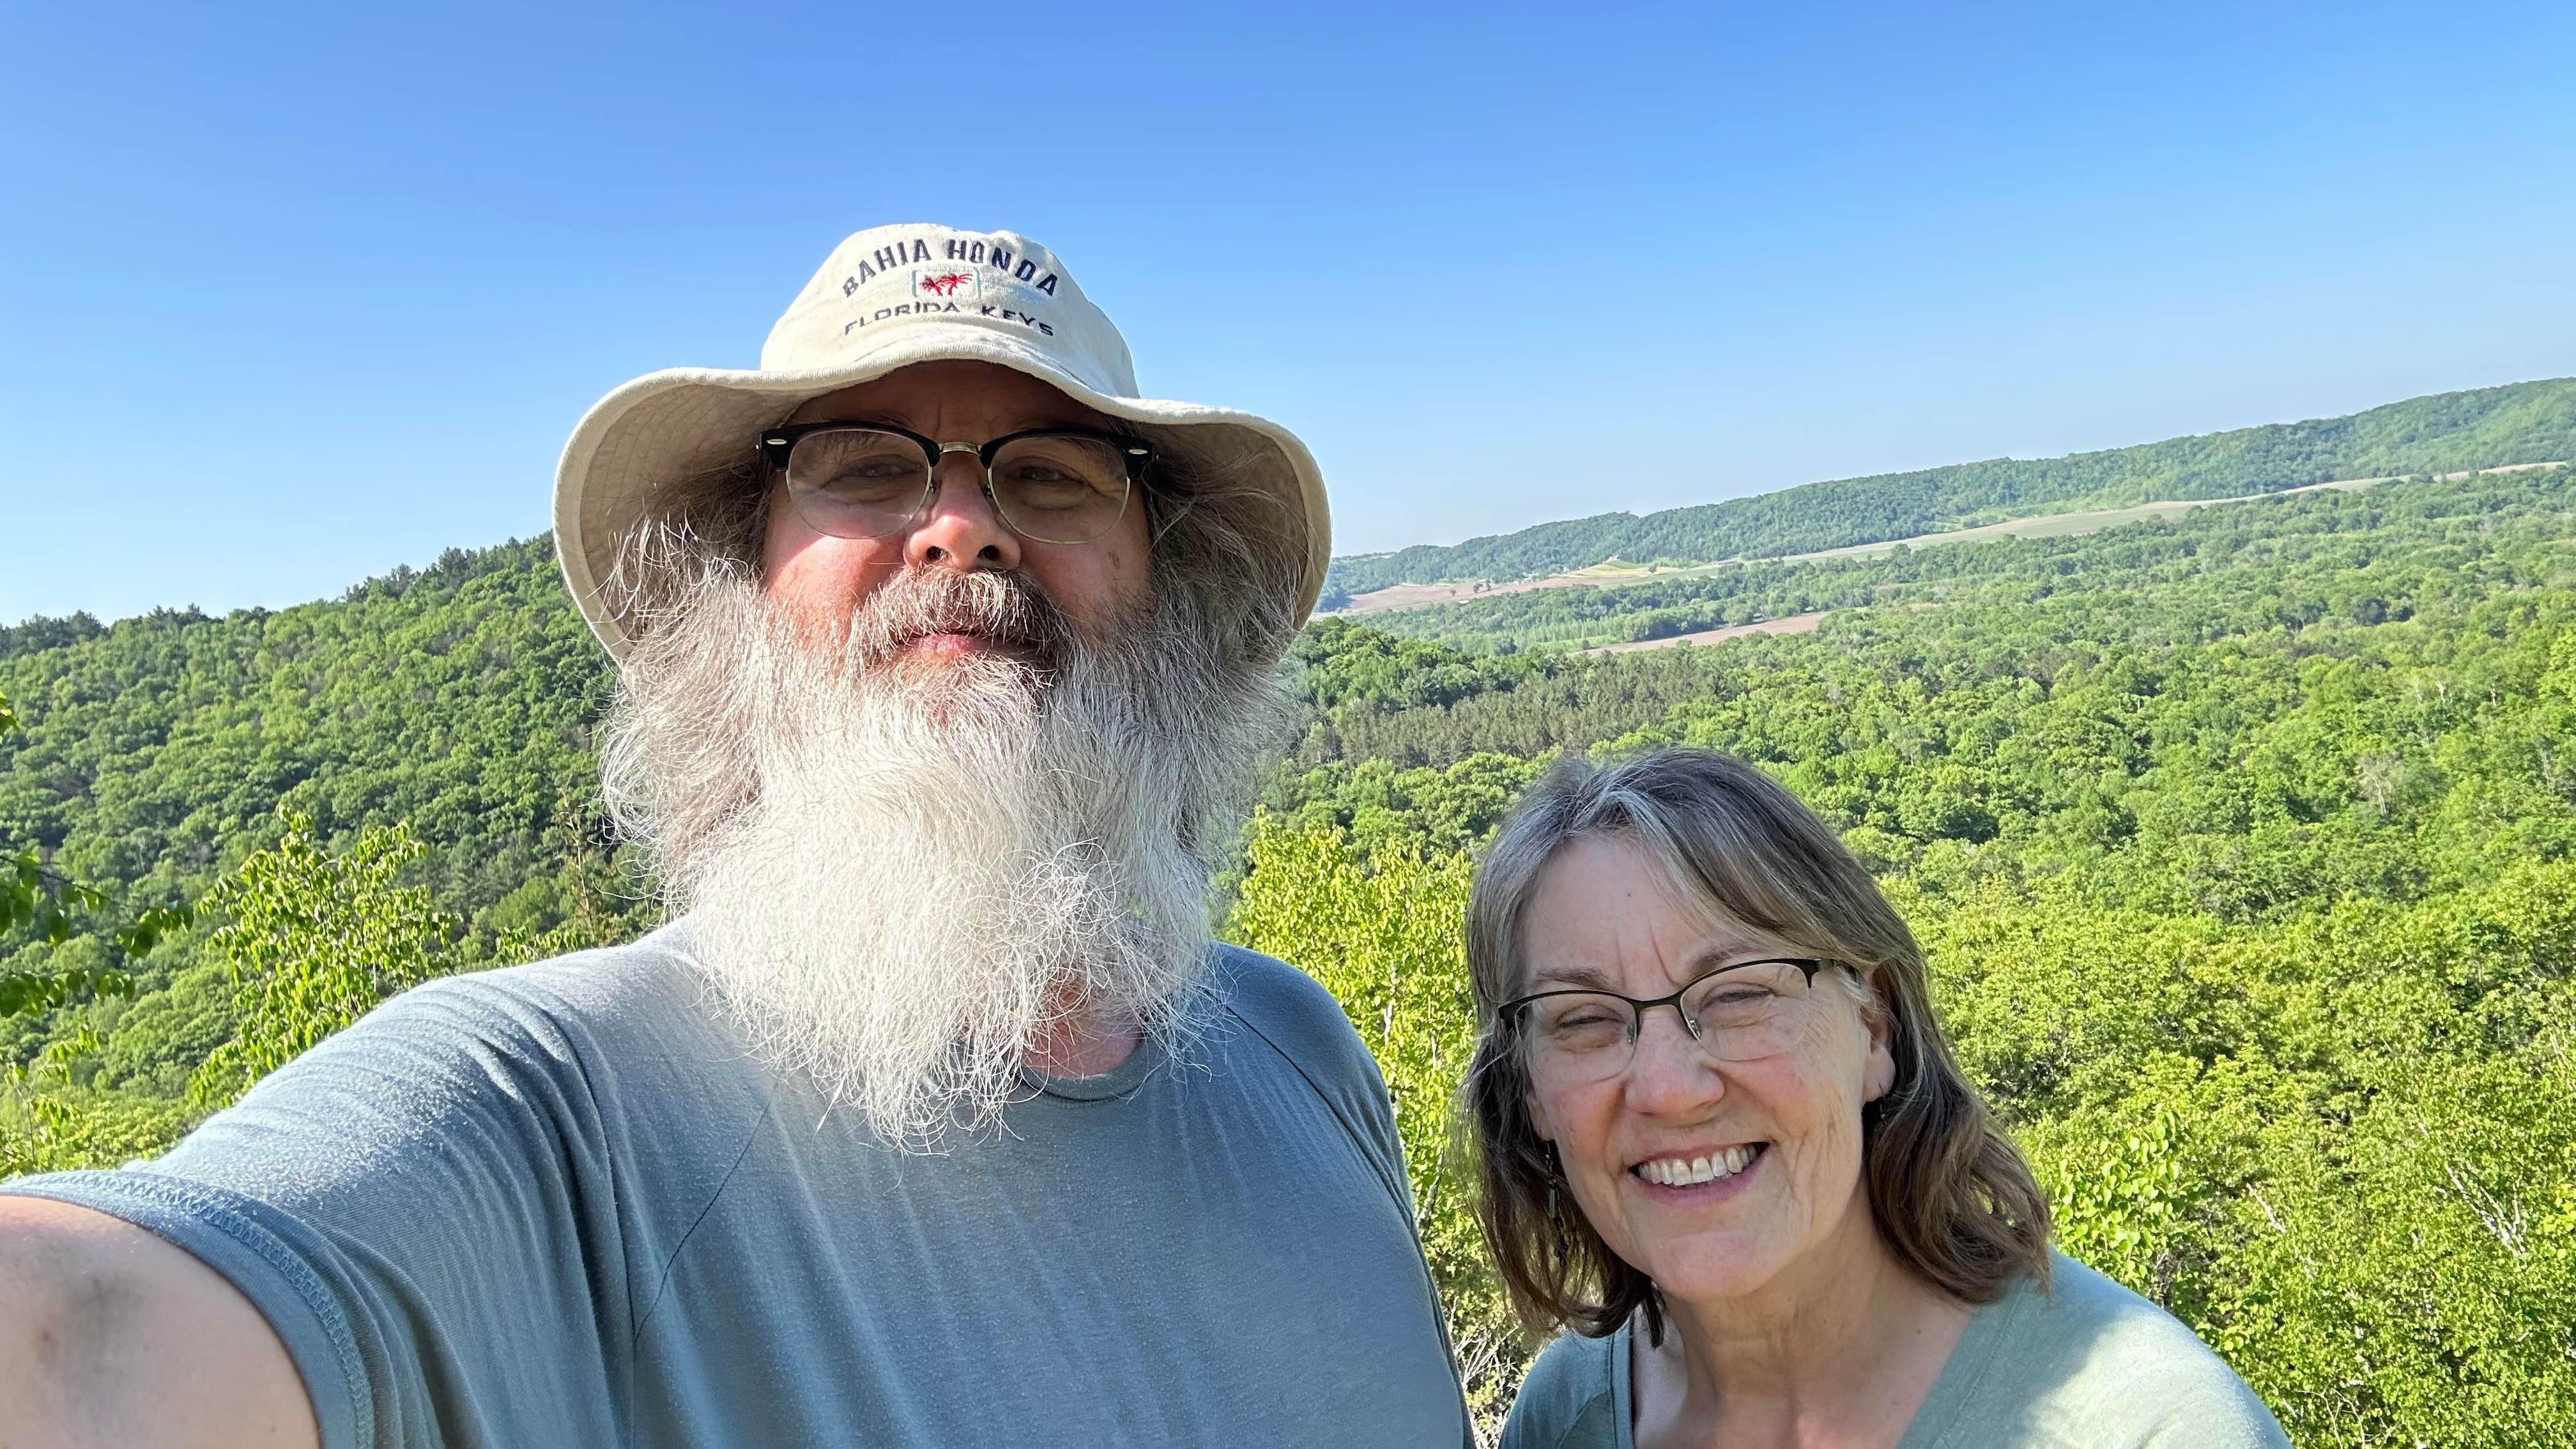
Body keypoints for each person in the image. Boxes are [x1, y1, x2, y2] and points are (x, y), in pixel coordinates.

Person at [0, 224, 1472, 1448]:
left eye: (1051, 471)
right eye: (865, 464)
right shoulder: (557, 1122)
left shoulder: (1298, 1048)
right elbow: (80, 1329)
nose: (962, 527)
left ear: (1167, 587)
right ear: (739, 588)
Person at [1464, 749, 2286, 1448]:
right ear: (1530, 1091)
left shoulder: (2148, 1425)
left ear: (1876, 1028)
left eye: (1740, 995)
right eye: (1584, 1020)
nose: (1671, 1089)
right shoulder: (1571, 1415)